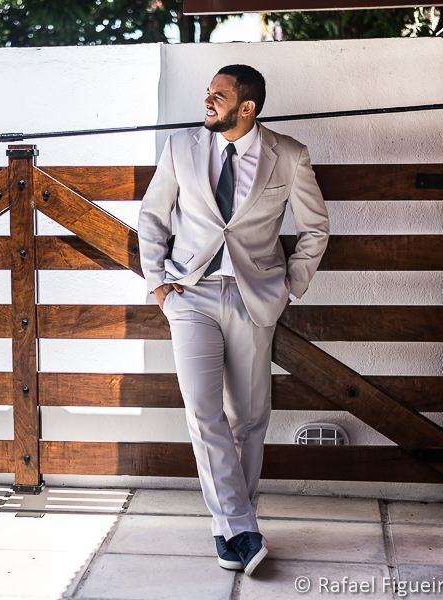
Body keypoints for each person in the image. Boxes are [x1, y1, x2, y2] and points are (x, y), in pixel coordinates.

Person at [137, 64, 329, 576]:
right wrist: (157, 281)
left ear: (248, 107)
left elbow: (314, 229)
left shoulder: (287, 155)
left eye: (218, 96)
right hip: (191, 295)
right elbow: (153, 216)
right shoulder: (182, 148)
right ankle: (241, 525)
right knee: (203, 410)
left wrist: (291, 286)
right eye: (207, 93)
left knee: (248, 418)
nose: (207, 102)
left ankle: (229, 530)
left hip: (254, 298)